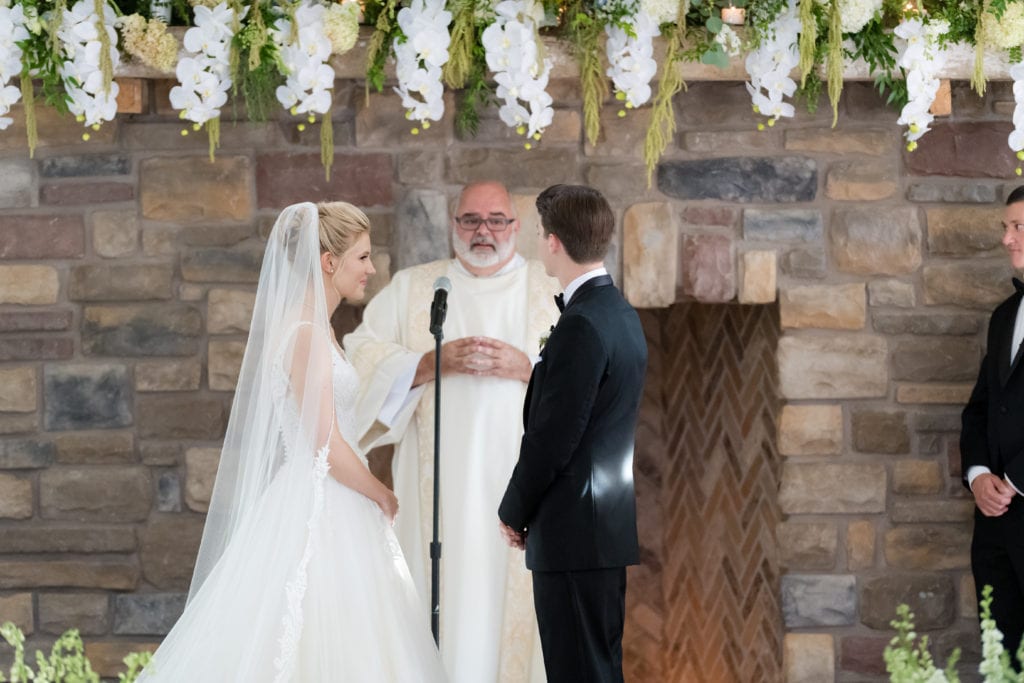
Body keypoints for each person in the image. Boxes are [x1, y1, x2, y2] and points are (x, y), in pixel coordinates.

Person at [137, 202, 446, 682]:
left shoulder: (317, 328)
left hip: (331, 499)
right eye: (362, 257)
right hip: (322, 504)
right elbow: (325, 443)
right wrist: (381, 493)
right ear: (328, 261)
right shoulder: (306, 334)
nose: (371, 269)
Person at [343, 181, 560, 682]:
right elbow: (358, 355)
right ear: (453, 224)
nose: (484, 231)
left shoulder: (548, 293)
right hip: (438, 497)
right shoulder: (416, 288)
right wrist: (424, 362)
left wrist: (529, 368)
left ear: (516, 227)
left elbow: (589, 380)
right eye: (471, 220)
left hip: (522, 492)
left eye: (496, 220)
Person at [498, 184, 647, 683]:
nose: (540, 242)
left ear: (555, 241)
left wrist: (513, 510)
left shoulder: (582, 324)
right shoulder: (619, 314)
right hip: (600, 529)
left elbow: (553, 436)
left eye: (540, 233)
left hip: (574, 531)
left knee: (578, 674)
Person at [962, 185, 1024, 666]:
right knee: (1000, 664)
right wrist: (979, 475)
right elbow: (981, 408)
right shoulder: (1003, 316)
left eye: (1018, 227)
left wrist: (1014, 481)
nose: (1006, 239)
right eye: (1005, 227)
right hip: (995, 532)